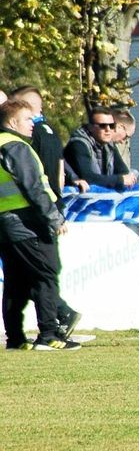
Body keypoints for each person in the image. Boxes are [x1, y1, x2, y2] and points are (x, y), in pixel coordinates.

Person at [0, 99, 78, 351]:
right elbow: (33, 187)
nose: (33, 124)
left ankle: (15, 338)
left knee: (16, 281)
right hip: (27, 221)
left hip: (6, 223)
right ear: (13, 122)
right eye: (27, 119)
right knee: (45, 275)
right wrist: (53, 218)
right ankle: (49, 335)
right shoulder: (16, 145)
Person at [12, 87, 69, 199]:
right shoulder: (51, 131)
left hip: (40, 203)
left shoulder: (29, 133)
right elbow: (61, 172)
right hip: (53, 200)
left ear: (24, 107)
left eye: (14, 106)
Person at [65, 106, 139, 190]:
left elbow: (124, 172)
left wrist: (126, 178)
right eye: (102, 126)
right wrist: (120, 180)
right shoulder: (79, 145)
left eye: (111, 126)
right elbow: (89, 178)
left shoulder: (108, 145)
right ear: (90, 127)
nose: (108, 130)